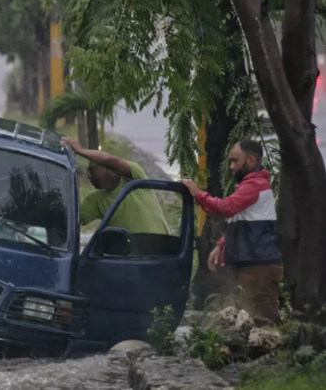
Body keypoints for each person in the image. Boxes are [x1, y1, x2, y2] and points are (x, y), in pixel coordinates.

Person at [180, 140, 282, 325]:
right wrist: (221, 245)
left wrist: (197, 193)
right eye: (230, 161)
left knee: (263, 322)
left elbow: (226, 208)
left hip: (258, 266)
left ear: (250, 160)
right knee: (252, 320)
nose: (231, 166)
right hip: (253, 264)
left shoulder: (254, 185)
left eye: (235, 161)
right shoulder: (250, 185)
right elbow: (241, 222)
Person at [61, 137, 169, 234]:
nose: (89, 176)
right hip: (133, 250)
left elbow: (109, 160)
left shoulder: (135, 177)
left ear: (110, 169)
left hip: (163, 247)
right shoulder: (96, 201)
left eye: (93, 170)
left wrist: (81, 151)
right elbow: (70, 218)